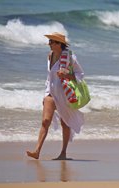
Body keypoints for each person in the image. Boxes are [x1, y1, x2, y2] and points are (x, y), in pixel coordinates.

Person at [26, 32, 85, 160]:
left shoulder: (70, 57)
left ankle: (63, 153)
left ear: (59, 44)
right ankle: (37, 151)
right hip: (50, 93)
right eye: (49, 41)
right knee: (45, 121)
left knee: (65, 124)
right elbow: (49, 77)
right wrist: (45, 94)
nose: (49, 44)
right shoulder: (50, 55)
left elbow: (80, 74)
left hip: (65, 94)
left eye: (52, 42)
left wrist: (66, 75)